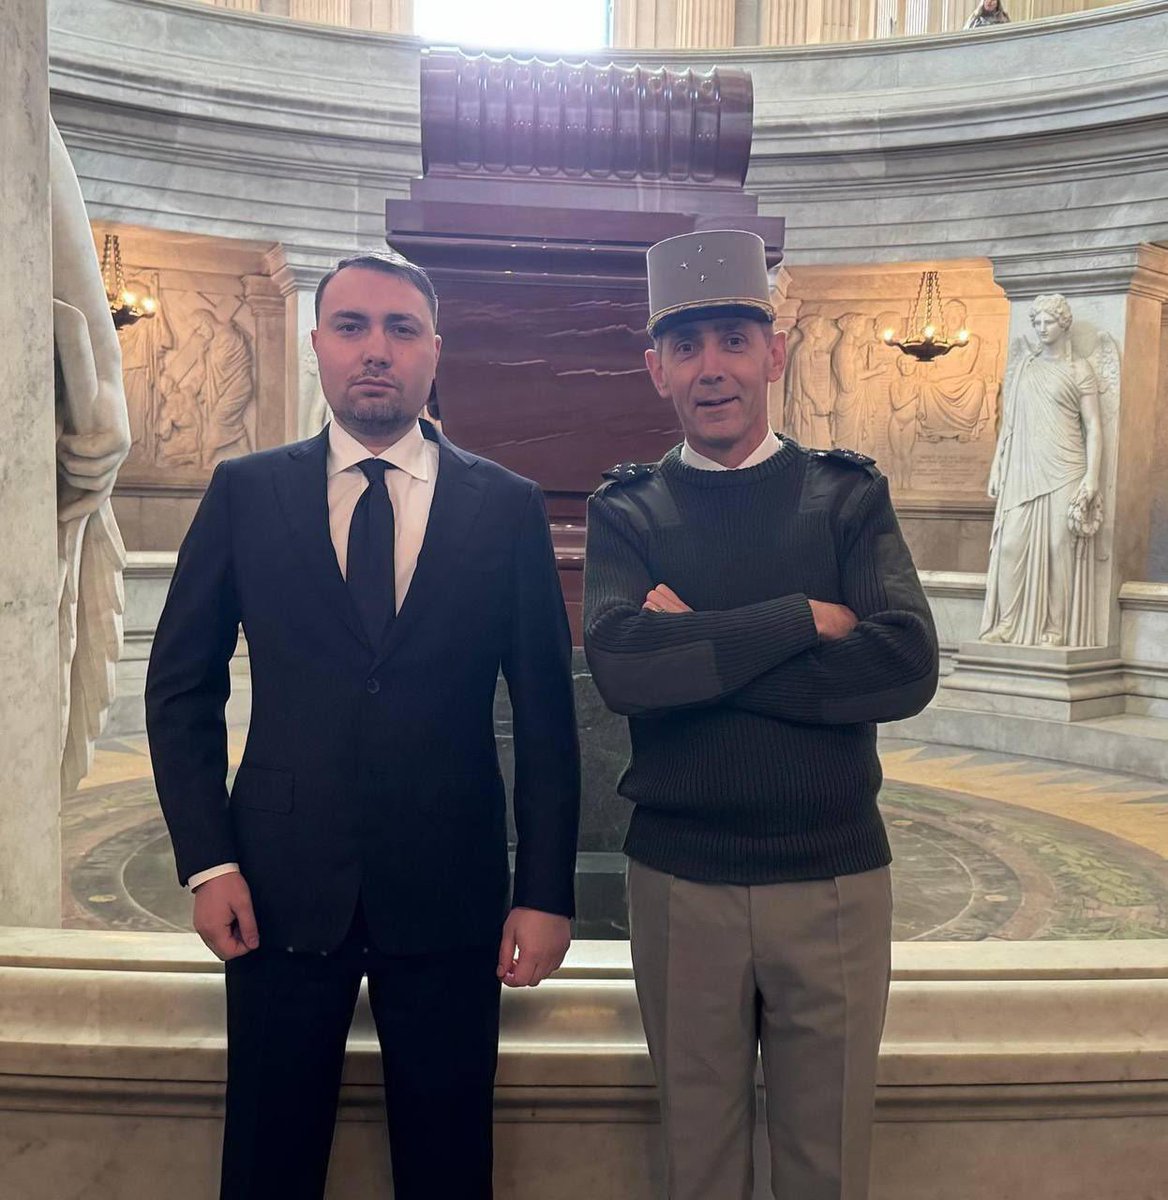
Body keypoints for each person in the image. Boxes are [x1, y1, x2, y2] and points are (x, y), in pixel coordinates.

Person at [146, 249, 581, 1199]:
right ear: (316, 347)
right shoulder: (245, 492)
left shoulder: (504, 507)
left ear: (435, 354)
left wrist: (545, 890)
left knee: (447, 1165)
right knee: (267, 1164)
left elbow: (548, 711)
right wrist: (207, 859)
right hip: (274, 888)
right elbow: (182, 686)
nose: (374, 350)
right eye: (351, 328)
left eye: (400, 329)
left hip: (453, 893)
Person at [583, 229, 939, 1200]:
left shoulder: (844, 497)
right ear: (655, 367)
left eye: (734, 340)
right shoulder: (630, 509)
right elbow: (622, 667)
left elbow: (902, 665)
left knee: (826, 1169)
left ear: (774, 352)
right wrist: (798, 622)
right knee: (696, 1167)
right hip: (679, 884)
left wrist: (700, 642)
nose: (713, 369)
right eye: (687, 344)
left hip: (830, 879)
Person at [981, 293, 1102, 647]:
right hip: (1023, 466)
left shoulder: (1080, 370)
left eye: (1048, 321)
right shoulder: (1025, 368)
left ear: (1064, 324)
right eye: (1036, 322)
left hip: (1066, 466)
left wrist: (1092, 477)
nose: (1041, 328)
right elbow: (1009, 423)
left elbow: (1094, 427)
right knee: (1010, 546)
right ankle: (1007, 623)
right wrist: (996, 465)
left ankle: (1054, 626)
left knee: (1057, 547)